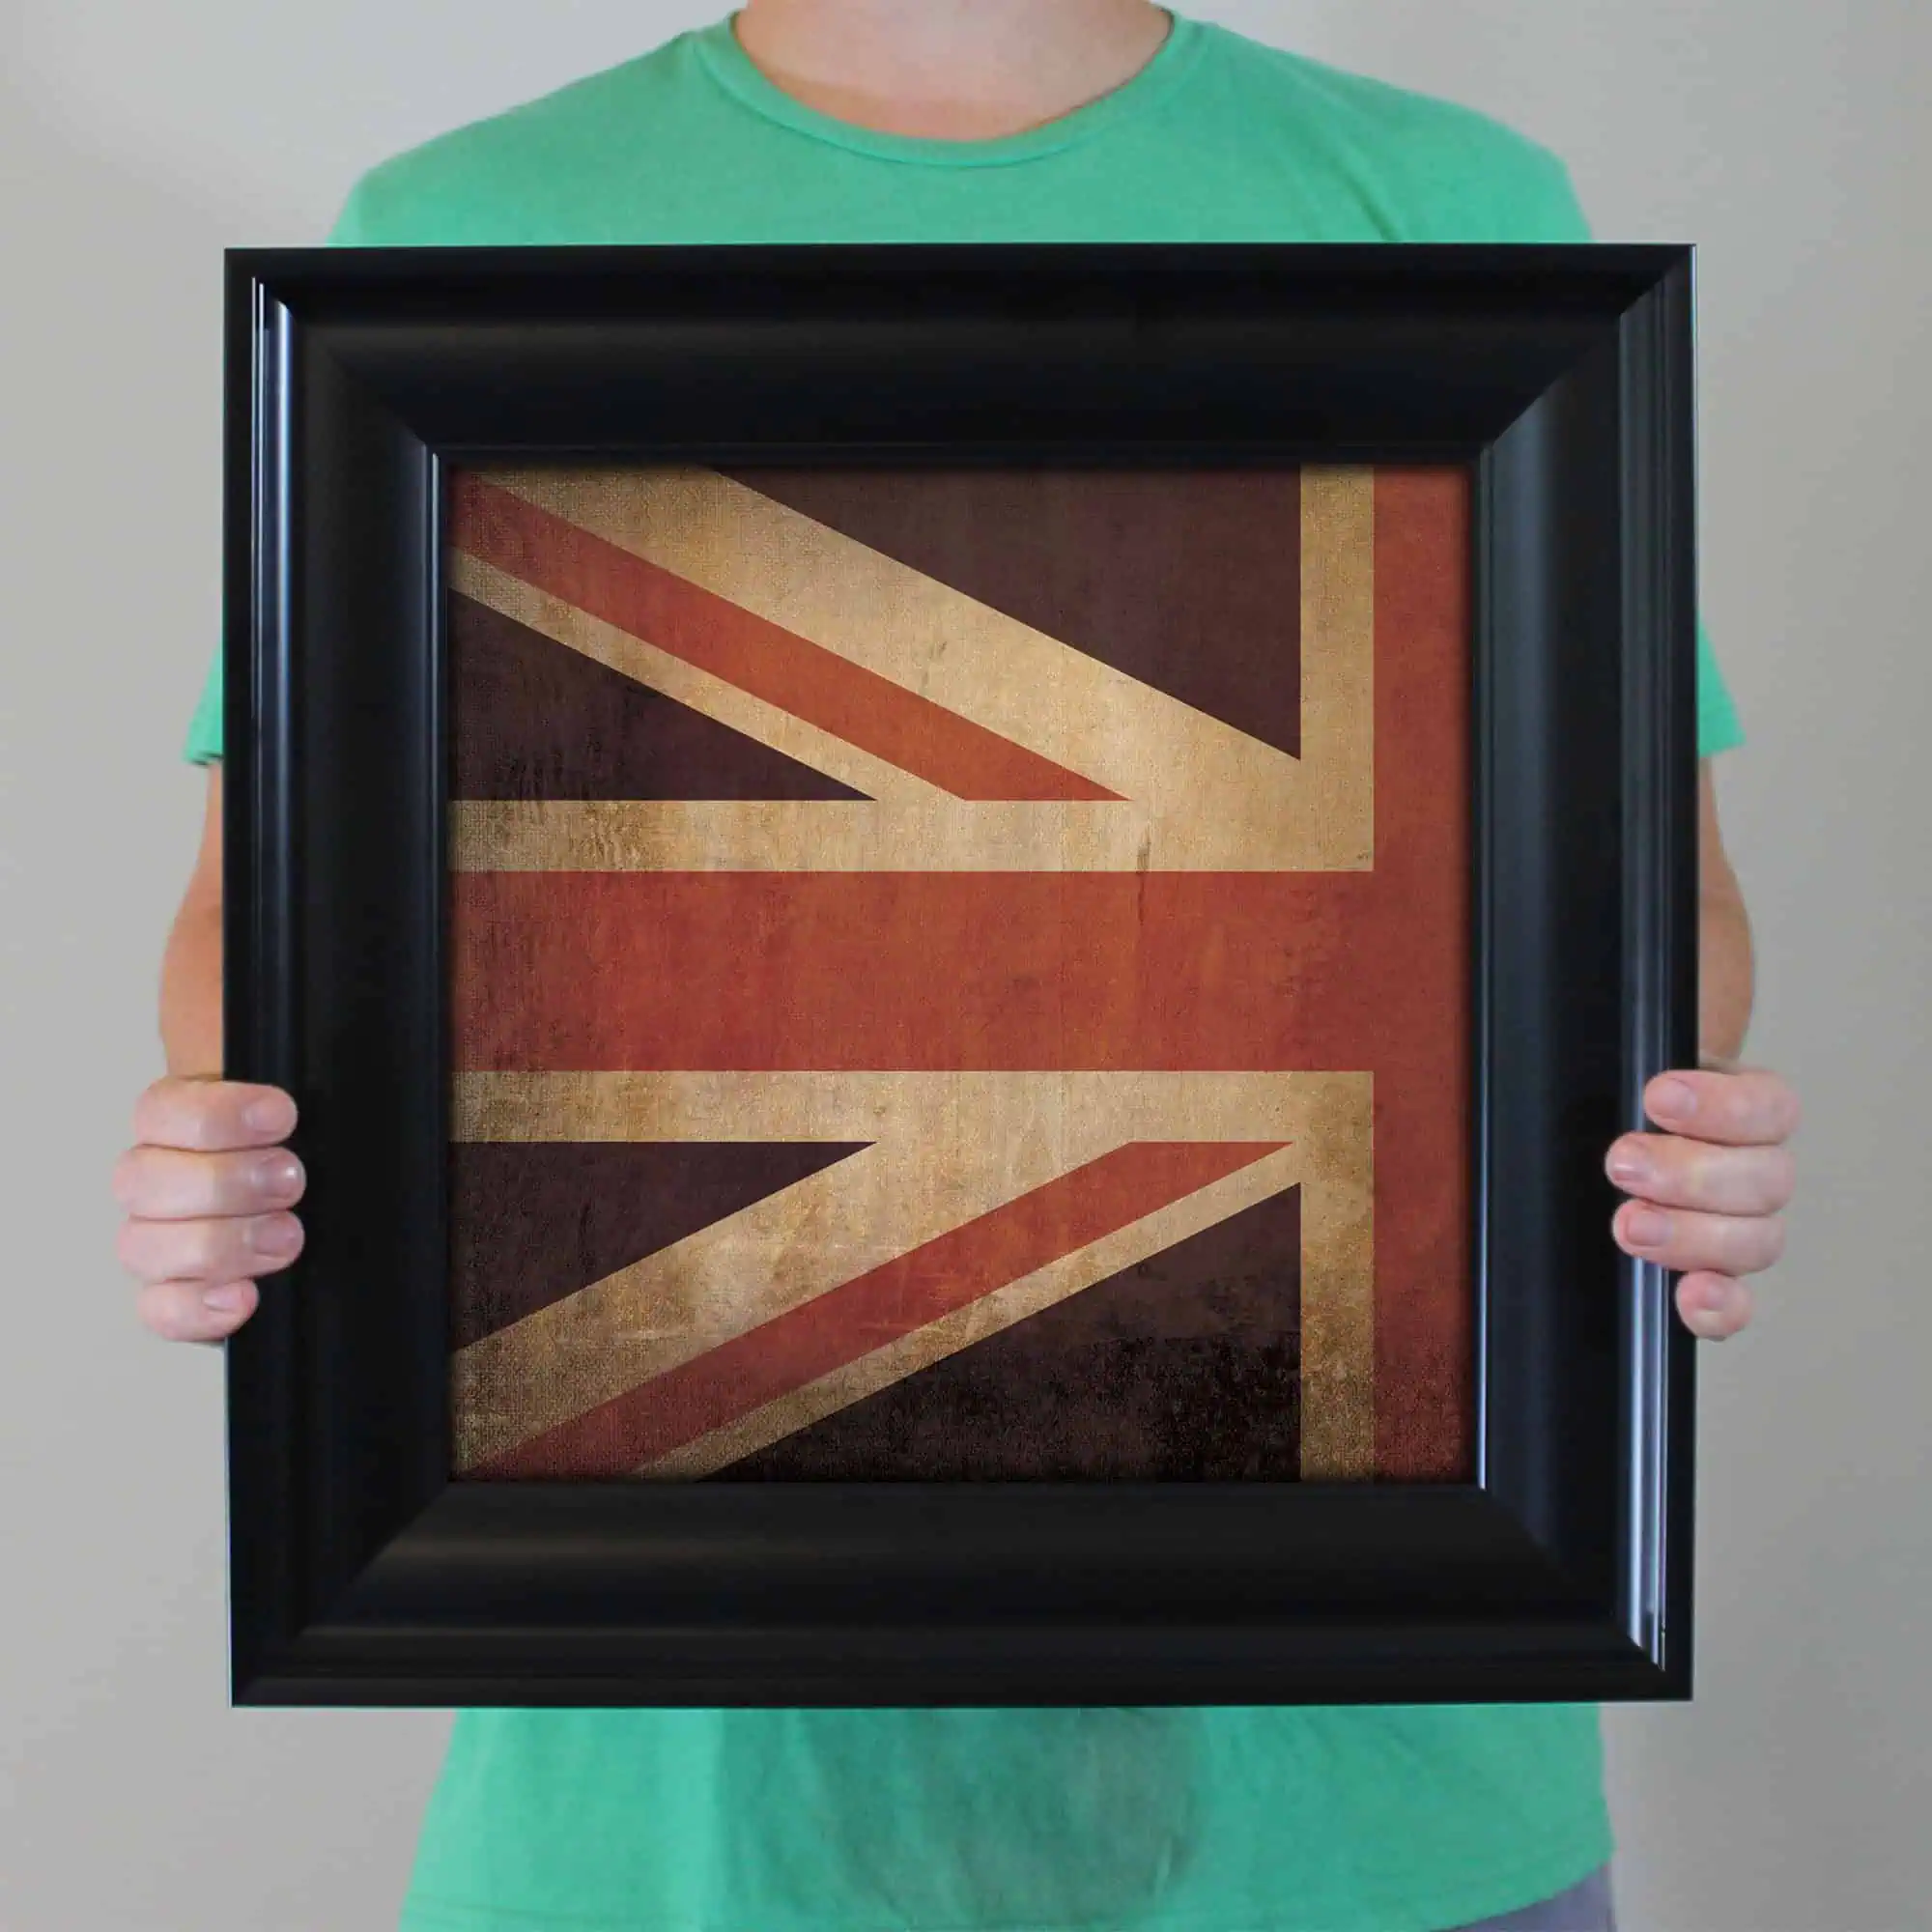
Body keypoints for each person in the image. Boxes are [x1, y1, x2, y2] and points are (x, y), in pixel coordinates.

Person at [112, 6, 1802, 1929]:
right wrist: (255, 1163)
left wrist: (1653, 1139)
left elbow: (1640, 900)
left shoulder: (1445, 203)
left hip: (1363, 1809)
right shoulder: (463, 228)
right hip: (688, 1821)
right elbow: (274, 924)